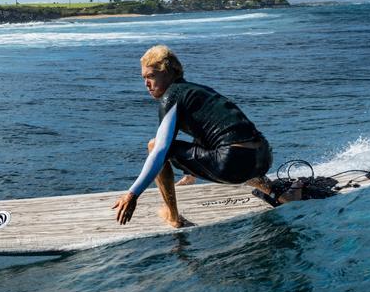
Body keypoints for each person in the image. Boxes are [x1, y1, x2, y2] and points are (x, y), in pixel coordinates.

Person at [113, 45, 294, 228]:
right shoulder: (197, 91)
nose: (146, 84)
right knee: (232, 149)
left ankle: (173, 217)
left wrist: (133, 194)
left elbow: (160, 149)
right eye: (144, 78)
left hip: (231, 163)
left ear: (169, 73)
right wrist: (191, 174)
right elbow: (207, 133)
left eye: (151, 76)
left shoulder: (172, 96)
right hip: (262, 157)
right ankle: (281, 194)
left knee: (154, 146)